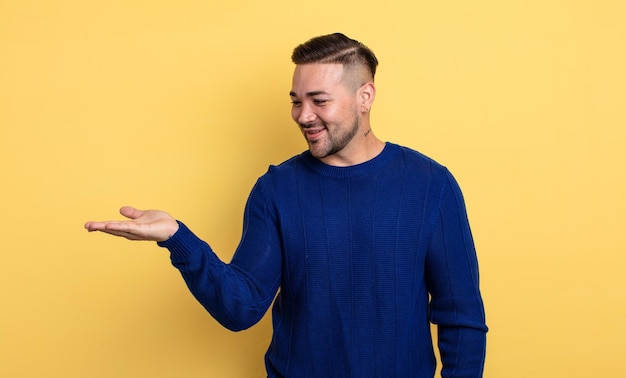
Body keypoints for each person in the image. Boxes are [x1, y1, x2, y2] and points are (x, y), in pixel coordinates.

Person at [85, 33, 488, 377]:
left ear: (364, 97)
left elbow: (462, 317)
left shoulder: (431, 185)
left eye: (319, 101)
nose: (303, 115)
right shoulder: (277, 189)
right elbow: (241, 308)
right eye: (296, 101)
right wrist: (177, 238)